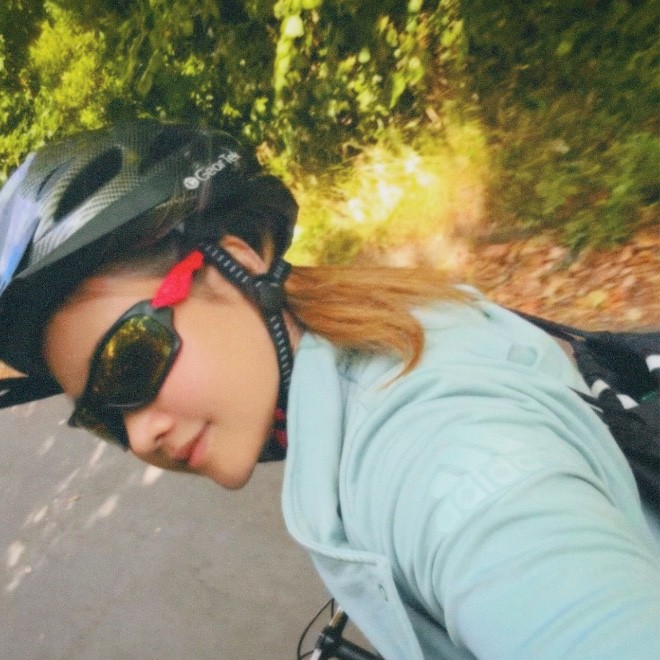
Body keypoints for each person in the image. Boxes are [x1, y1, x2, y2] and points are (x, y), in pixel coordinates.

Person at [0, 121, 658, 660]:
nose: (140, 435)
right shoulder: (386, 325)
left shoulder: (435, 461)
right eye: (103, 418)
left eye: (128, 362)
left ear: (237, 258)